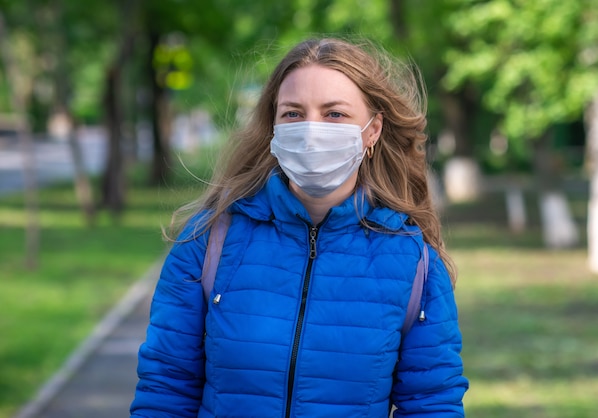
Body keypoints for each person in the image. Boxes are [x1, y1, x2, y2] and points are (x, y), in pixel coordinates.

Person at [131, 37, 468, 417]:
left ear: (372, 131)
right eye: (293, 113)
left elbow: (432, 404)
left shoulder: (413, 262)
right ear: (273, 127)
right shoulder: (209, 241)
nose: (311, 131)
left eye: (334, 114)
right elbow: (165, 388)